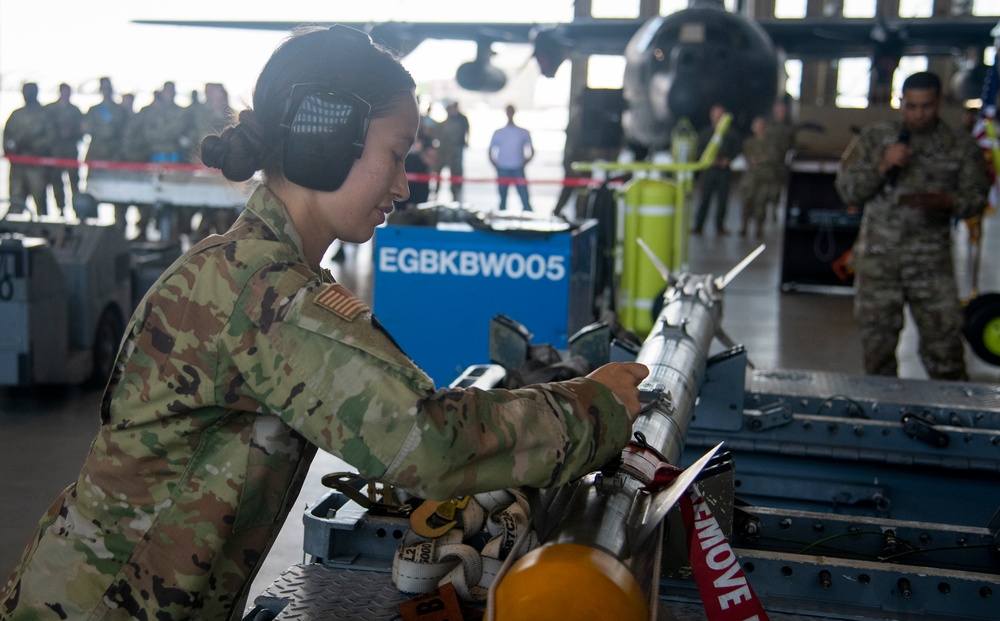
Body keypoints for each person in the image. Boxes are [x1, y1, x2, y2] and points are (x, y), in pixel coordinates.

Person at [0, 25, 648, 621]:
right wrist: (596, 407)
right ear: (325, 138)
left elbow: (392, 404)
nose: (404, 185)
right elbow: (425, 444)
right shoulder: (266, 293)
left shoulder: (261, 271)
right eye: (395, 156)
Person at [835, 71, 991, 381]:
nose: (919, 114)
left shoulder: (959, 146)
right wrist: (882, 166)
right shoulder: (876, 138)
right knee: (877, 356)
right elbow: (847, 190)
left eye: (927, 106)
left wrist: (949, 203)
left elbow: (976, 198)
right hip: (879, 266)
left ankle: (951, 421)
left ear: (940, 103)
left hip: (931, 268)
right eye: (911, 106)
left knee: (945, 353)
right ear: (901, 103)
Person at [3, 82, 54, 218]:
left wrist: (32, 145)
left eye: (30, 91)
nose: (27, 94)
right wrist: (12, 148)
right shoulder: (16, 115)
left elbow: (50, 138)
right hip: (18, 167)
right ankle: (13, 232)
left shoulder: (45, 115)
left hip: (37, 166)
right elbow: (7, 136)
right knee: (15, 202)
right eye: (25, 91)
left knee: (40, 203)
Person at [692, 104, 742, 235]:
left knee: (723, 200)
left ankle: (720, 227)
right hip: (709, 171)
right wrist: (710, 160)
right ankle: (698, 226)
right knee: (704, 199)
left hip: (724, 171)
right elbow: (699, 150)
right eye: (716, 114)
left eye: (721, 115)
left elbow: (736, 149)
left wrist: (728, 159)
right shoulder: (705, 133)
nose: (718, 117)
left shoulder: (731, 134)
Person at [43, 83, 85, 217]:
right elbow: (44, 128)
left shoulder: (75, 110)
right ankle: (60, 208)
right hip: (55, 151)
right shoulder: (50, 109)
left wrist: (72, 133)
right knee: (56, 181)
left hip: (71, 150)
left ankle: (78, 209)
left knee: (74, 182)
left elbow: (83, 129)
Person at [738, 115, 782, 239]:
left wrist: (759, 159)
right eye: (757, 126)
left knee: (761, 203)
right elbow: (746, 156)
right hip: (750, 178)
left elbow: (773, 157)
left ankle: (759, 228)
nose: (760, 128)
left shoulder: (771, 143)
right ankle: (744, 226)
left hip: (765, 178)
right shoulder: (749, 142)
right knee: (746, 202)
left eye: (762, 126)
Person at [489, 104, 535, 212]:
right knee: (502, 199)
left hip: (518, 168)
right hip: (503, 168)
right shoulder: (498, 133)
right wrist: (497, 166)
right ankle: (501, 219)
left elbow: (532, 150)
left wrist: (524, 163)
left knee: (524, 198)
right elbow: (490, 152)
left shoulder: (522, 132)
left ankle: (529, 216)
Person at [435, 99, 469, 202]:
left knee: (456, 177)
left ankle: (456, 196)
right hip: (444, 153)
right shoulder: (442, 125)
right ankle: (437, 194)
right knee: (438, 175)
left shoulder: (461, 121)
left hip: (455, 154)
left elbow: (465, 133)